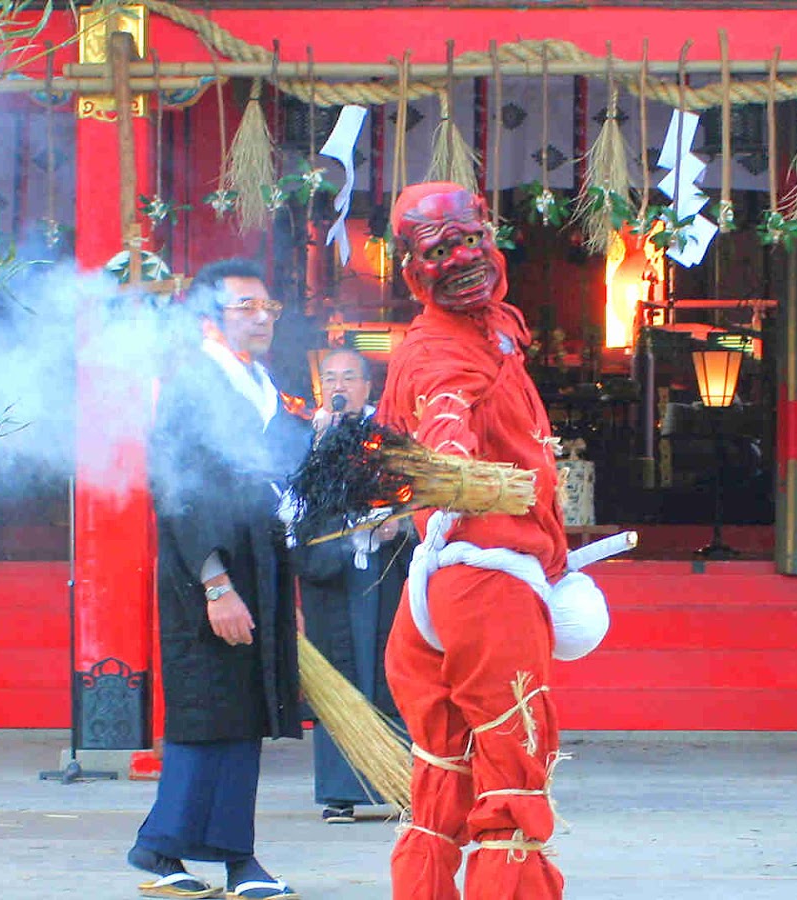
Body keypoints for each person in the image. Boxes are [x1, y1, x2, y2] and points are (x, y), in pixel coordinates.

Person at [376, 182, 575, 900]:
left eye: (472, 239)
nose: (464, 259)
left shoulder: (488, 330)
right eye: (439, 251)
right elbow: (443, 415)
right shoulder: (438, 353)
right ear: (411, 270)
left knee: (442, 776)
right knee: (511, 778)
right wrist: (452, 465)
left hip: (444, 582)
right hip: (486, 588)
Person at [130, 259, 310, 900]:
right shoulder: (192, 386)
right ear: (209, 318)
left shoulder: (264, 384)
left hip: (258, 566)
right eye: (245, 306)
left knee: (242, 712)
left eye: (268, 307)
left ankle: (165, 850)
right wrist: (215, 583)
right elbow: (175, 491)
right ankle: (230, 859)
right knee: (207, 712)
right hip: (205, 571)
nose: (262, 316)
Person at [293, 349, 415, 825]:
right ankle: (340, 792)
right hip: (332, 570)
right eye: (330, 377)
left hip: (383, 569)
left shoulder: (390, 437)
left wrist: (398, 526)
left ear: (367, 387)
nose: (339, 385)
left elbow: (417, 498)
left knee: (391, 670)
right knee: (339, 670)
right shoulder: (310, 435)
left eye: (349, 377)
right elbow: (293, 505)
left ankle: (400, 784)